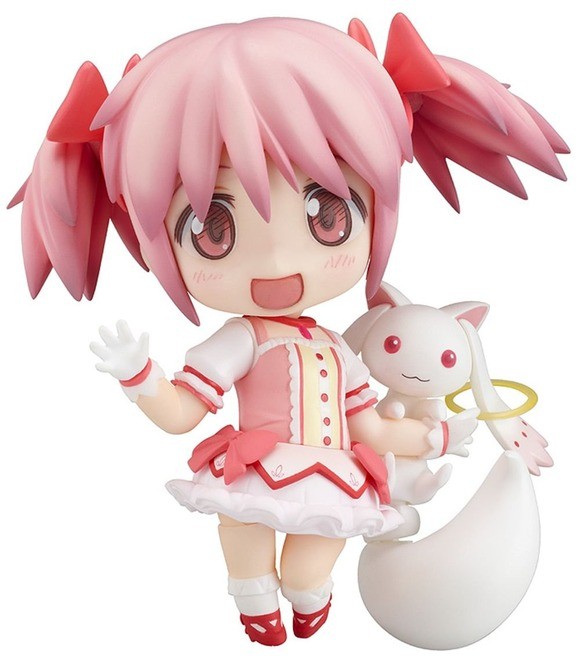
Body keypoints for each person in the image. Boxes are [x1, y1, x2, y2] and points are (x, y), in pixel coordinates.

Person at [8, 12, 567, 647]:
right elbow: (183, 413)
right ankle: (253, 599)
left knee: (308, 570)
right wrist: (140, 376)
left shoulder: (336, 351)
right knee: (245, 541)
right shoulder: (243, 339)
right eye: (213, 230)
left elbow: (369, 426)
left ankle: (307, 598)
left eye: (327, 215)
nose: (276, 263)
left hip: (334, 480)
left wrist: (434, 435)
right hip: (254, 466)